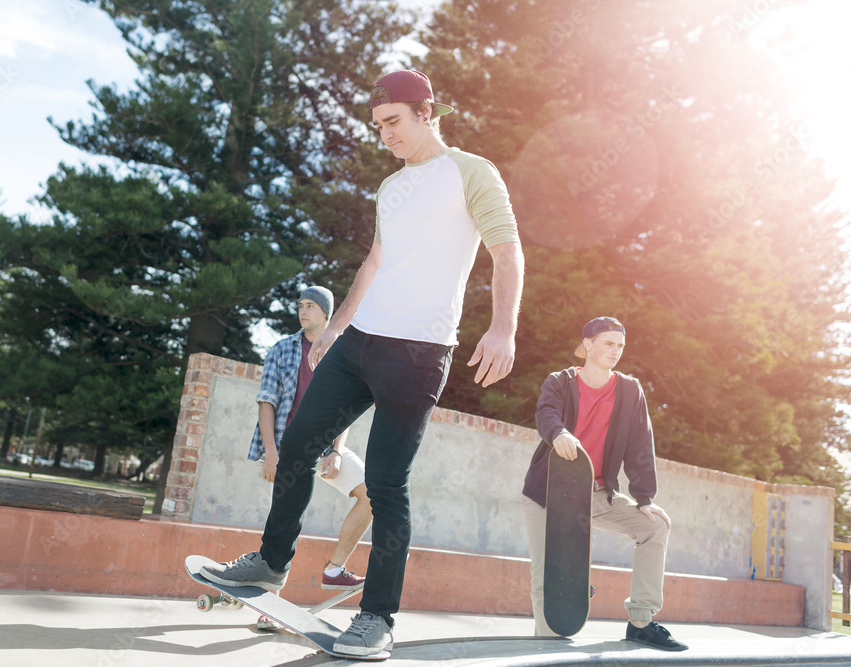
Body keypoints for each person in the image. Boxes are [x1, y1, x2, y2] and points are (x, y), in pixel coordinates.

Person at [201, 69, 524, 658]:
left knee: (384, 482)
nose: (385, 136)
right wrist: (338, 330)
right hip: (359, 345)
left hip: (420, 353)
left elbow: (506, 250)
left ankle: (377, 617)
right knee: (297, 444)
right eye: (378, 127)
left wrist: (503, 327)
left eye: (394, 123)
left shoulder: (472, 172)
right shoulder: (391, 188)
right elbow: (374, 263)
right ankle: (271, 563)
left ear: (429, 112)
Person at [520, 316, 688, 651]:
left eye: (620, 345)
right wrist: (559, 433)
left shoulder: (629, 390)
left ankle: (641, 621)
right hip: (549, 494)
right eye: (608, 343)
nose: (615, 350)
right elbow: (546, 413)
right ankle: (549, 644)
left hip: (597, 494)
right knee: (548, 577)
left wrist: (644, 498)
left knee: (654, 528)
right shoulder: (561, 381)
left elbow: (640, 444)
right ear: (587, 345)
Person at [247, 285, 371, 630]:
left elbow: (345, 410)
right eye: (300, 305)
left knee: (372, 493)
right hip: (287, 447)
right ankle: (268, 605)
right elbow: (266, 402)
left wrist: (336, 451)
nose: (303, 311)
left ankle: (334, 569)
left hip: (326, 445)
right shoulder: (282, 349)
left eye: (311, 306)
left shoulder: (339, 353)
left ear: (328, 314)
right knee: (288, 523)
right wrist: (271, 453)